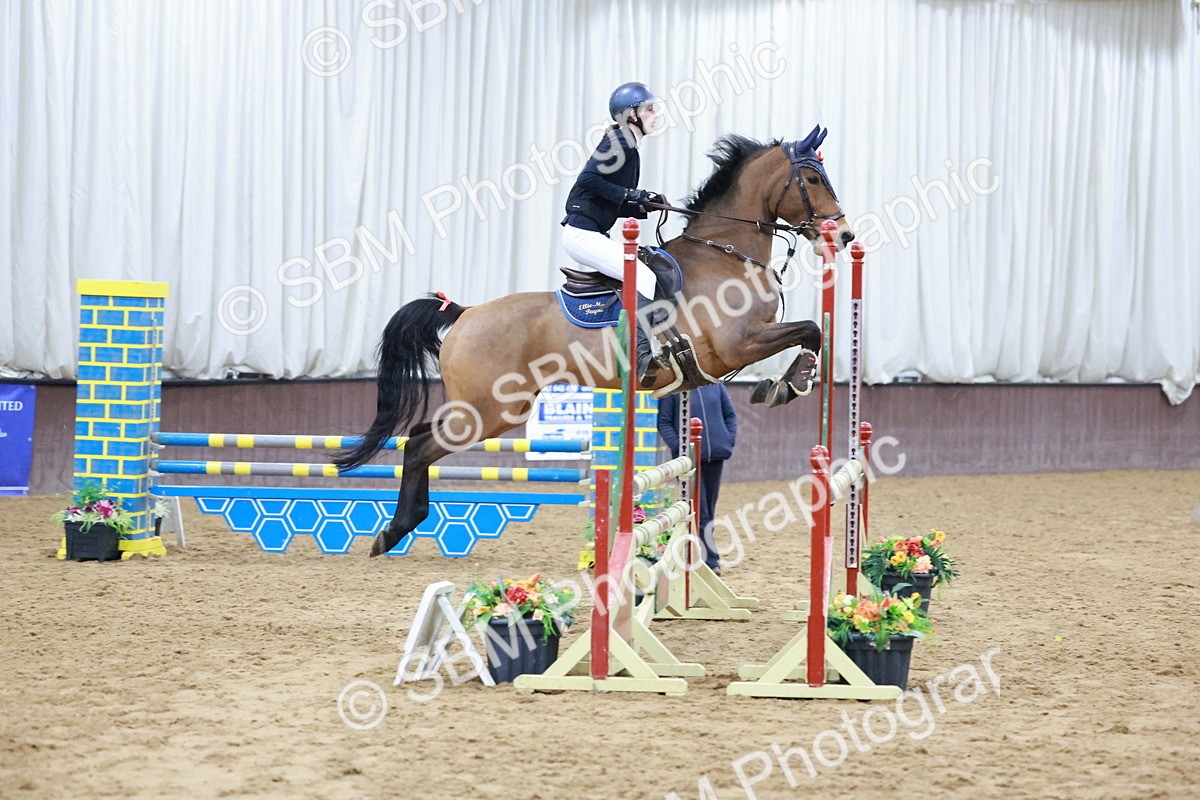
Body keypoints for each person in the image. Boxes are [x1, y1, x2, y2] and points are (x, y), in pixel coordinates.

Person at [561, 81, 670, 387]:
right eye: (649, 108)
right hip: (582, 234)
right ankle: (640, 354)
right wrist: (633, 195)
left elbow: (606, 199)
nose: (655, 114)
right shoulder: (621, 140)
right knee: (644, 277)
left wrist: (642, 206)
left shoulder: (629, 145)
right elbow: (590, 180)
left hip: (592, 230)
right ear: (630, 114)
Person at [656, 383, 738, 574]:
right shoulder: (673, 389)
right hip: (689, 462)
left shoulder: (716, 385)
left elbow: (730, 415)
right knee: (699, 510)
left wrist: (728, 439)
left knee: (709, 509)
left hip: (715, 456)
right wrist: (681, 448)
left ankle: (704, 556)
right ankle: (711, 560)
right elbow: (664, 422)